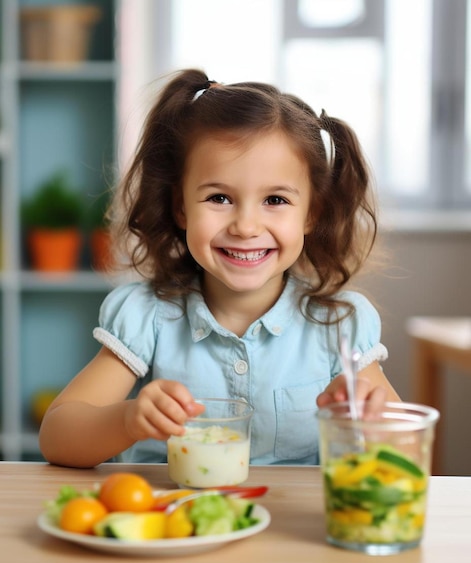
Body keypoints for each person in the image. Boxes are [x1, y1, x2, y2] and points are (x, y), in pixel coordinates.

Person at [39, 68, 400, 469]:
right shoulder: (148, 317)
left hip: (290, 528)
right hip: (173, 524)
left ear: (311, 214)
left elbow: (401, 455)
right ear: (181, 207)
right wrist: (128, 419)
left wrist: (367, 423)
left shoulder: (339, 325)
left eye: (276, 200)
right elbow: (57, 438)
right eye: (219, 197)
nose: (245, 226)